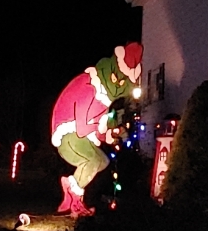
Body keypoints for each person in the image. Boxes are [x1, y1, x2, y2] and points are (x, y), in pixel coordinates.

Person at [50, 42, 142, 217]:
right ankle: (75, 198)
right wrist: (102, 129)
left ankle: (72, 191)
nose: (117, 84)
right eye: (116, 78)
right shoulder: (89, 87)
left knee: (102, 161)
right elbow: (83, 128)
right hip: (68, 135)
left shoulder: (105, 101)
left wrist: (111, 133)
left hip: (81, 137)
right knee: (92, 160)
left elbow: (99, 127)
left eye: (122, 82)